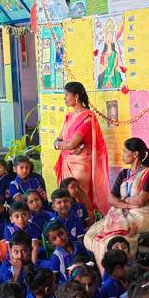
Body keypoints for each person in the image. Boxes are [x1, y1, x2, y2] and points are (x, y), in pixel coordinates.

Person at [83, 138, 149, 263]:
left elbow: (141, 201)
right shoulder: (124, 174)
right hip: (121, 212)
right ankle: (107, 276)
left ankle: (115, 272)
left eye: (124, 152)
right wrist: (126, 204)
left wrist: (123, 201)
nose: (122, 155)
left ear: (135, 154)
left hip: (140, 216)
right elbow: (111, 199)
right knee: (92, 236)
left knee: (110, 241)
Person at [52, 81, 110, 218]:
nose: (64, 98)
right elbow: (58, 139)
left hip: (81, 164)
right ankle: (70, 224)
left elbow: (71, 144)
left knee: (78, 194)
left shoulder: (87, 117)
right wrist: (61, 144)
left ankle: (88, 222)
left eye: (66, 95)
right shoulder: (69, 117)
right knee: (66, 195)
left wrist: (64, 145)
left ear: (76, 96)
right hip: (68, 160)